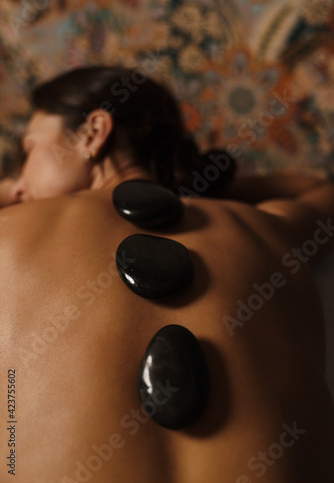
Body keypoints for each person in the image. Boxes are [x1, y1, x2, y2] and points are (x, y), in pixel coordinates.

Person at [0, 66, 333, 483]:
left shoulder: (8, 237)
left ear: (92, 133)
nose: (17, 183)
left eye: (28, 151)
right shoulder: (269, 228)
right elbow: (320, 189)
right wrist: (204, 189)